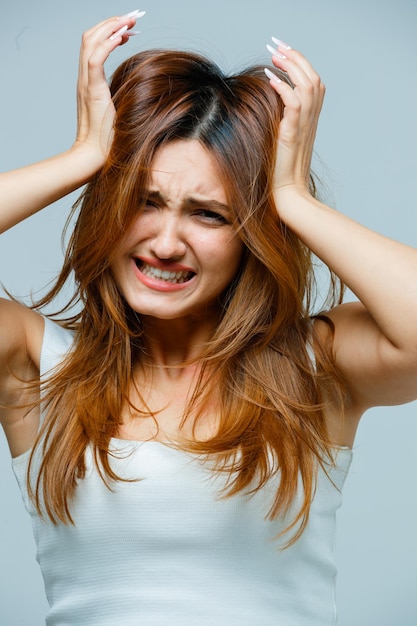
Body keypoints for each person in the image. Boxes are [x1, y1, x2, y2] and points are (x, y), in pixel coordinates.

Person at [1, 9, 416, 626]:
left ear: (253, 233)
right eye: (144, 201)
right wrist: (83, 158)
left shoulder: (317, 368)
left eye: (209, 214)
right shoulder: (35, 364)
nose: (166, 243)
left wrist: (292, 199)